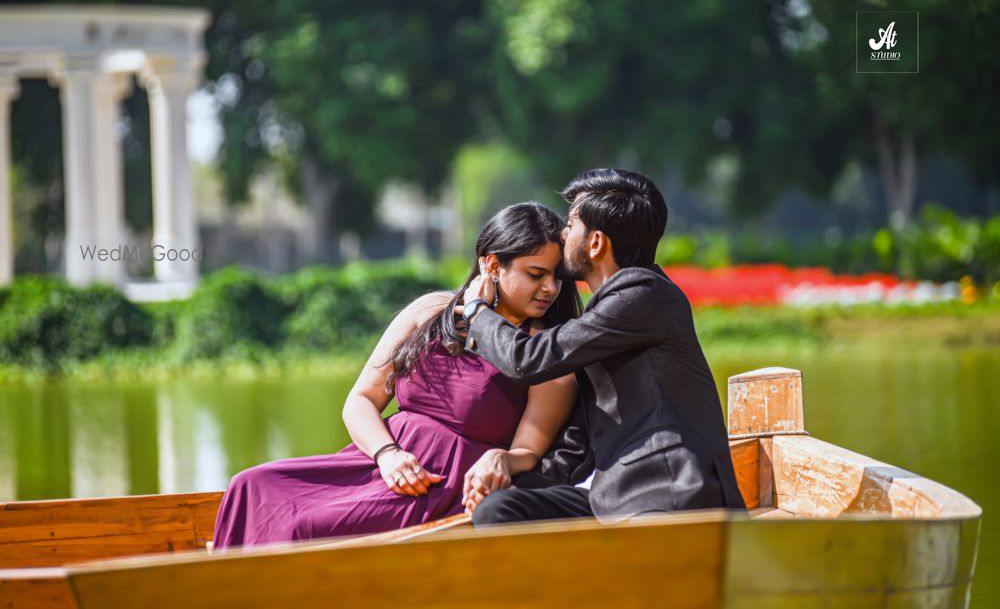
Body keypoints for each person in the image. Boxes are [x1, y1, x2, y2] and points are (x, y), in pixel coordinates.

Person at [212, 203, 581, 547]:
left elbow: (527, 451)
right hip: (379, 462)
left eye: (556, 277)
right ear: (493, 266)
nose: (550, 288)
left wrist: (502, 459)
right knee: (249, 486)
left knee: (304, 528)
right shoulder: (430, 312)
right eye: (536, 274)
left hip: (438, 486)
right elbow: (360, 401)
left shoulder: (543, 351)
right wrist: (387, 454)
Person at [458, 169, 746, 525]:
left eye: (571, 223)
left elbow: (528, 360)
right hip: (617, 497)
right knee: (502, 509)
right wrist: (511, 477)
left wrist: (476, 311)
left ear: (595, 243)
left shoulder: (644, 294)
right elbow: (576, 447)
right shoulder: (614, 311)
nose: (562, 234)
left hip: (671, 494)